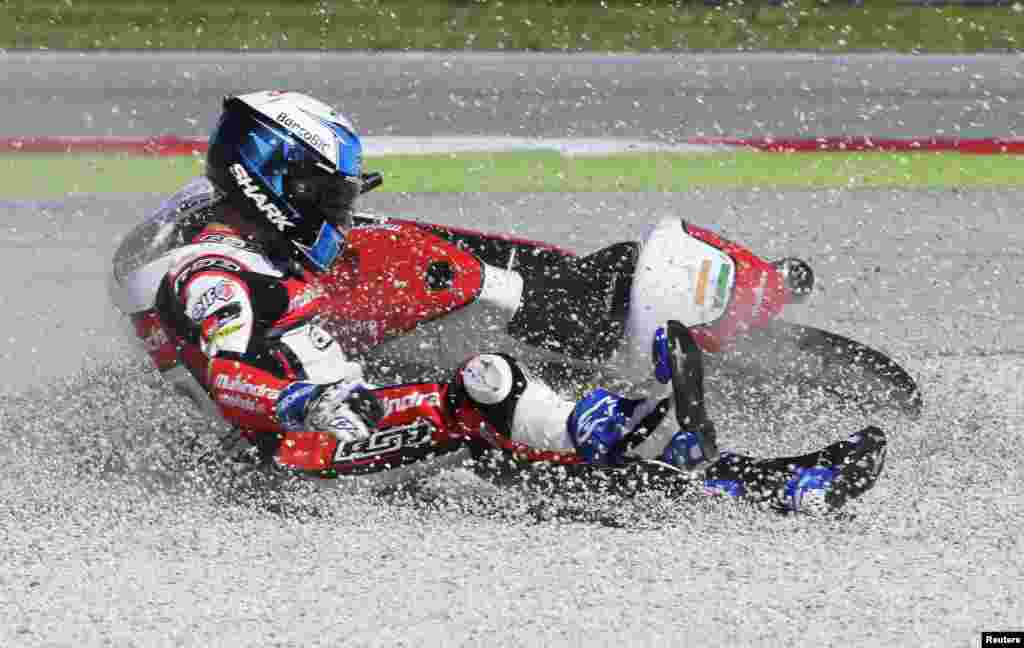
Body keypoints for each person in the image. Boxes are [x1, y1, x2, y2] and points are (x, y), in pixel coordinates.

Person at [151, 90, 885, 515]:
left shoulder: (221, 234)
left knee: (483, 375)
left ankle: (643, 445)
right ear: (277, 189)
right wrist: (299, 405)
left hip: (330, 414)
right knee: (487, 387)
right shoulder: (215, 276)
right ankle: (731, 485)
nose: (341, 214)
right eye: (330, 197)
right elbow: (230, 377)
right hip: (306, 448)